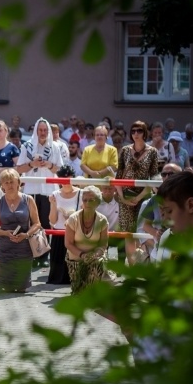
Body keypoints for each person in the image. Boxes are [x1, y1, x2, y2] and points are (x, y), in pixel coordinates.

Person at [16, 118, 62, 267]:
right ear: (36, 131)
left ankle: (44, 255)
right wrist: (32, 164)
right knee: (32, 222)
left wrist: (48, 164)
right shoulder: (27, 146)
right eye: (40, 130)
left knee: (47, 222)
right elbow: (19, 169)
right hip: (31, 189)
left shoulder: (55, 147)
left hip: (49, 190)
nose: (43, 133)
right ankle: (32, 254)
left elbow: (59, 168)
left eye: (45, 130)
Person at [0, 169, 41, 293]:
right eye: (6, 182)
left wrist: (26, 234)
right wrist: (5, 233)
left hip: (24, 246)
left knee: (22, 288)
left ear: (18, 182)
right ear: (2, 185)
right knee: (6, 288)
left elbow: (37, 223)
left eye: (12, 181)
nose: (9, 185)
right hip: (5, 247)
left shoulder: (28, 200)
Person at [116, 120, 159, 264]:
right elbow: (118, 176)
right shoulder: (124, 150)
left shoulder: (152, 152)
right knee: (129, 234)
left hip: (144, 195)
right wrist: (122, 198)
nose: (136, 134)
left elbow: (154, 177)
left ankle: (142, 265)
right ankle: (132, 269)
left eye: (139, 131)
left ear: (145, 133)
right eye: (133, 131)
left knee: (141, 232)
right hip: (125, 195)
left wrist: (140, 197)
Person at [64, 186, 110, 294]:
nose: (87, 203)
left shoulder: (102, 220)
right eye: (85, 200)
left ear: (97, 203)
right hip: (76, 257)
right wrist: (82, 255)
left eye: (91, 200)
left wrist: (95, 254)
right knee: (78, 292)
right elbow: (68, 243)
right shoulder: (73, 219)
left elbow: (103, 244)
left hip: (95, 258)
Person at [47, 164, 80, 285]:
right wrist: (53, 204)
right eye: (63, 179)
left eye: (68, 179)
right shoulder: (55, 194)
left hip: (74, 232)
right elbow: (53, 220)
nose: (66, 183)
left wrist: (71, 217)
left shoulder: (81, 194)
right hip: (59, 232)